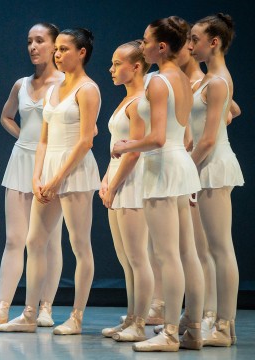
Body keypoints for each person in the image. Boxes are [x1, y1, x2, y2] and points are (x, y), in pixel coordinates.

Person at [0, 28, 100, 335]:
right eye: (58, 49)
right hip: (49, 169)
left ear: (81, 53)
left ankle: (76, 316)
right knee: (33, 241)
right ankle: (29, 314)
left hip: (75, 172)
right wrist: (38, 175)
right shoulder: (55, 90)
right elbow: (42, 139)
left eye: (64, 49)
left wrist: (56, 178)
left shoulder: (88, 89)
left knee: (79, 245)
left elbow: (85, 142)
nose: (58, 54)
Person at [112, 17, 204, 352]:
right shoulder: (182, 77)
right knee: (187, 253)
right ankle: (192, 329)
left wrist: (125, 146)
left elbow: (157, 138)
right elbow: (187, 137)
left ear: (161, 47)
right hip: (180, 165)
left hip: (163, 168)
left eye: (146, 40)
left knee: (167, 255)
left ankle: (168, 332)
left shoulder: (156, 81)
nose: (143, 44)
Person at [0, 23, 65, 328]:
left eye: (40, 41)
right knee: (14, 239)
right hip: (21, 161)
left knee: (49, 240)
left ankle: (45, 307)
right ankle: (2, 307)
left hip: (52, 165)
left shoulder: (66, 83)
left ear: (54, 46)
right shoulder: (20, 84)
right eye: (29, 42)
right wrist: (24, 138)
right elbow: (6, 116)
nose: (34, 47)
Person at [188, 13, 243, 347]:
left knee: (221, 248)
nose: (190, 45)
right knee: (209, 248)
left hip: (212, 165)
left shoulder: (219, 80)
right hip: (206, 163)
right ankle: (219, 322)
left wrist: (186, 170)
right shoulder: (212, 81)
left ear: (215, 42)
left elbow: (207, 140)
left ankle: (224, 325)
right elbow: (230, 111)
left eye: (195, 39)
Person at [99, 40, 152, 342]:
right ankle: (131, 317)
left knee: (137, 257)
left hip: (132, 183)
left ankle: (141, 323)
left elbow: (134, 152)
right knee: (125, 258)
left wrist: (115, 184)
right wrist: (107, 179)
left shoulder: (141, 102)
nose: (112, 69)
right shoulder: (126, 100)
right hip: (118, 181)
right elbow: (116, 150)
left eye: (118, 63)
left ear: (136, 66)